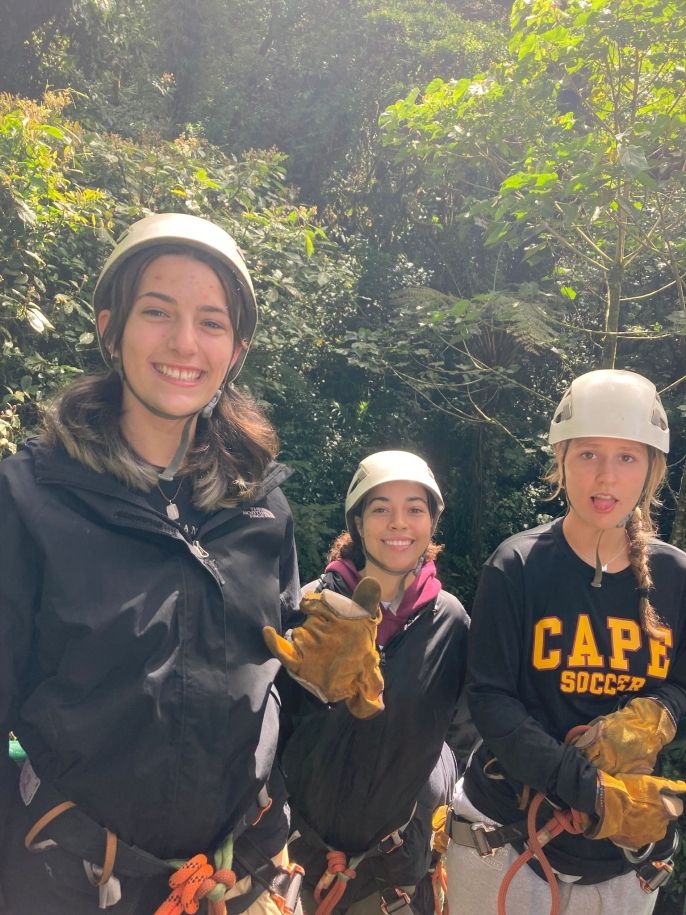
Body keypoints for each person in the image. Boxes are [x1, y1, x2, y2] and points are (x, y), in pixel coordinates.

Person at [0, 213, 304, 915]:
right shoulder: (32, 498)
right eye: (157, 312)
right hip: (69, 882)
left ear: (237, 350)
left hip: (228, 884)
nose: (183, 343)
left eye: (211, 322)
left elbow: (276, 691)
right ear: (111, 327)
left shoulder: (261, 511)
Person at [446, 369, 686, 915]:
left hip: (621, 853)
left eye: (627, 457)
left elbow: (682, 682)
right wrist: (584, 786)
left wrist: (655, 712)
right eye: (588, 455)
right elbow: (489, 697)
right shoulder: (518, 566)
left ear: (652, 468)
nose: (606, 477)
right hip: (506, 832)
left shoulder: (676, 578)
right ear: (561, 461)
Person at [275, 450, 471, 915]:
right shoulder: (314, 609)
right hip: (296, 861)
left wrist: (426, 802)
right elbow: (269, 724)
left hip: (395, 872)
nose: (398, 523)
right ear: (358, 523)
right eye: (380, 508)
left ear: (431, 524)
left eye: (414, 509)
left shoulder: (451, 622)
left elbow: (461, 737)